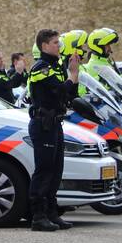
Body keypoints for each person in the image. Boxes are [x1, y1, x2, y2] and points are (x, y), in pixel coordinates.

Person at [26, 28, 79, 232]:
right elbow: (58, 89)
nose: (59, 46)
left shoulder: (56, 66)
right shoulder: (40, 67)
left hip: (55, 123)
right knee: (44, 170)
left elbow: (69, 93)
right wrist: (72, 75)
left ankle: (51, 213)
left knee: (56, 170)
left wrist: (74, 74)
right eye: (56, 43)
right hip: (43, 124)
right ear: (44, 46)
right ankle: (38, 217)